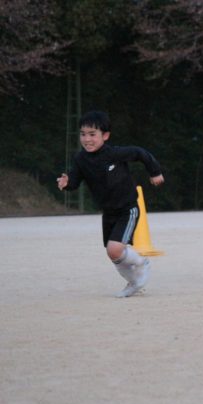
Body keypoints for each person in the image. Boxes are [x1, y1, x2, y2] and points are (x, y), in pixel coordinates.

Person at [57, 110, 164, 298]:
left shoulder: (114, 153)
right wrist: (67, 184)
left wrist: (155, 172)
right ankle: (134, 282)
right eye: (83, 134)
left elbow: (140, 153)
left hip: (128, 208)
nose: (87, 139)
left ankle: (141, 263)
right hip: (108, 212)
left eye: (92, 134)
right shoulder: (80, 159)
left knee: (115, 249)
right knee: (113, 253)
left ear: (105, 136)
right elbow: (75, 181)